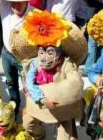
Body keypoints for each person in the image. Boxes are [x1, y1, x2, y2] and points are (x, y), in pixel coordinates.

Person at [20, 9, 87, 140]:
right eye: (41, 52)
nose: (44, 57)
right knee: (28, 125)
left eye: (50, 52)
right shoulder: (35, 63)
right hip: (40, 104)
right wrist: (42, 98)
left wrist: (55, 96)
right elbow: (29, 82)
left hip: (62, 108)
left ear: (60, 52)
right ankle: (40, 134)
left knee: (66, 137)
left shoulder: (67, 64)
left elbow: (76, 83)